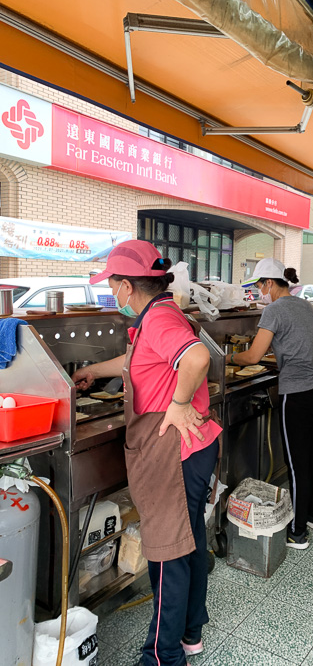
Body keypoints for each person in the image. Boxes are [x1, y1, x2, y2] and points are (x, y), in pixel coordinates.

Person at [72, 240, 221, 666]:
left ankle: (163, 655)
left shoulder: (158, 319)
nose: (112, 294)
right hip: (190, 449)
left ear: (125, 285)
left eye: (112, 285)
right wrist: (91, 372)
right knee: (187, 543)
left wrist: (176, 406)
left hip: (173, 450)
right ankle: (190, 633)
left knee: (167, 551)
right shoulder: (157, 315)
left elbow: (195, 359)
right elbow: (137, 359)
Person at [229, 257, 313, 550]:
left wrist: (227, 359)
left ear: (270, 283)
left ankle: (297, 534)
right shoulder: (305, 305)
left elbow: (252, 357)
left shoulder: (274, 309)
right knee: (312, 458)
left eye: (260, 285)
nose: (260, 291)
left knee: (297, 465)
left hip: (297, 394)